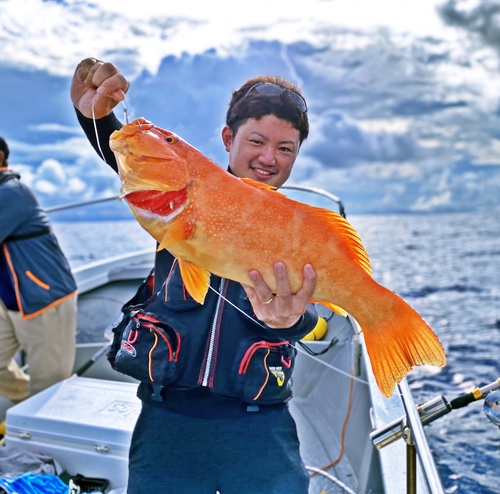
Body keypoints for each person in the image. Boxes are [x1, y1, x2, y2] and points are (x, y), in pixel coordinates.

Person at [71, 58, 318, 494]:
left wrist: (291, 322)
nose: (268, 158)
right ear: (228, 138)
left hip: (259, 424)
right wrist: (95, 115)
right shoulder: (183, 186)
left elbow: (309, 314)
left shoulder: (297, 228)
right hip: (168, 420)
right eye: (256, 140)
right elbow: (137, 159)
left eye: (285, 148)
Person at [0, 137, 78, 403]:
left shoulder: (12, 192)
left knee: (50, 388)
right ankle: (28, 407)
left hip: (46, 300)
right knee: (39, 395)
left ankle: (39, 422)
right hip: (10, 303)